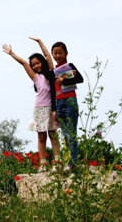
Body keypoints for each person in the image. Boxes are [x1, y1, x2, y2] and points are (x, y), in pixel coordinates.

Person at [2, 37, 60, 172]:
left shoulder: (51, 72)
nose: (36, 66)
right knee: (41, 136)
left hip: (51, 108)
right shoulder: (35, 77)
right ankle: (43, 163)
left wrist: (39, 41)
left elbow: (47, 55)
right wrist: (12, 53)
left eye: (38, 63)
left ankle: (57, 162)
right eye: (33, 65)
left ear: (43, 63)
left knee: (53, 135)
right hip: (39, 108)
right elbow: (23, 63)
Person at [51, 41, 84, 170]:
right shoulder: (53, 70)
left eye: (60, 53)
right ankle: (68, 160)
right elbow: (53, 91)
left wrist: (64, 80)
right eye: (55, 53)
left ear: (66, 53)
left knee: (71, 133)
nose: (58, 55)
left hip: (70, 100)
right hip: (59, 102)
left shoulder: (69, 66)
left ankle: (73, 163)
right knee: (64, 134)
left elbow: (80, 79)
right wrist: (53, 109)